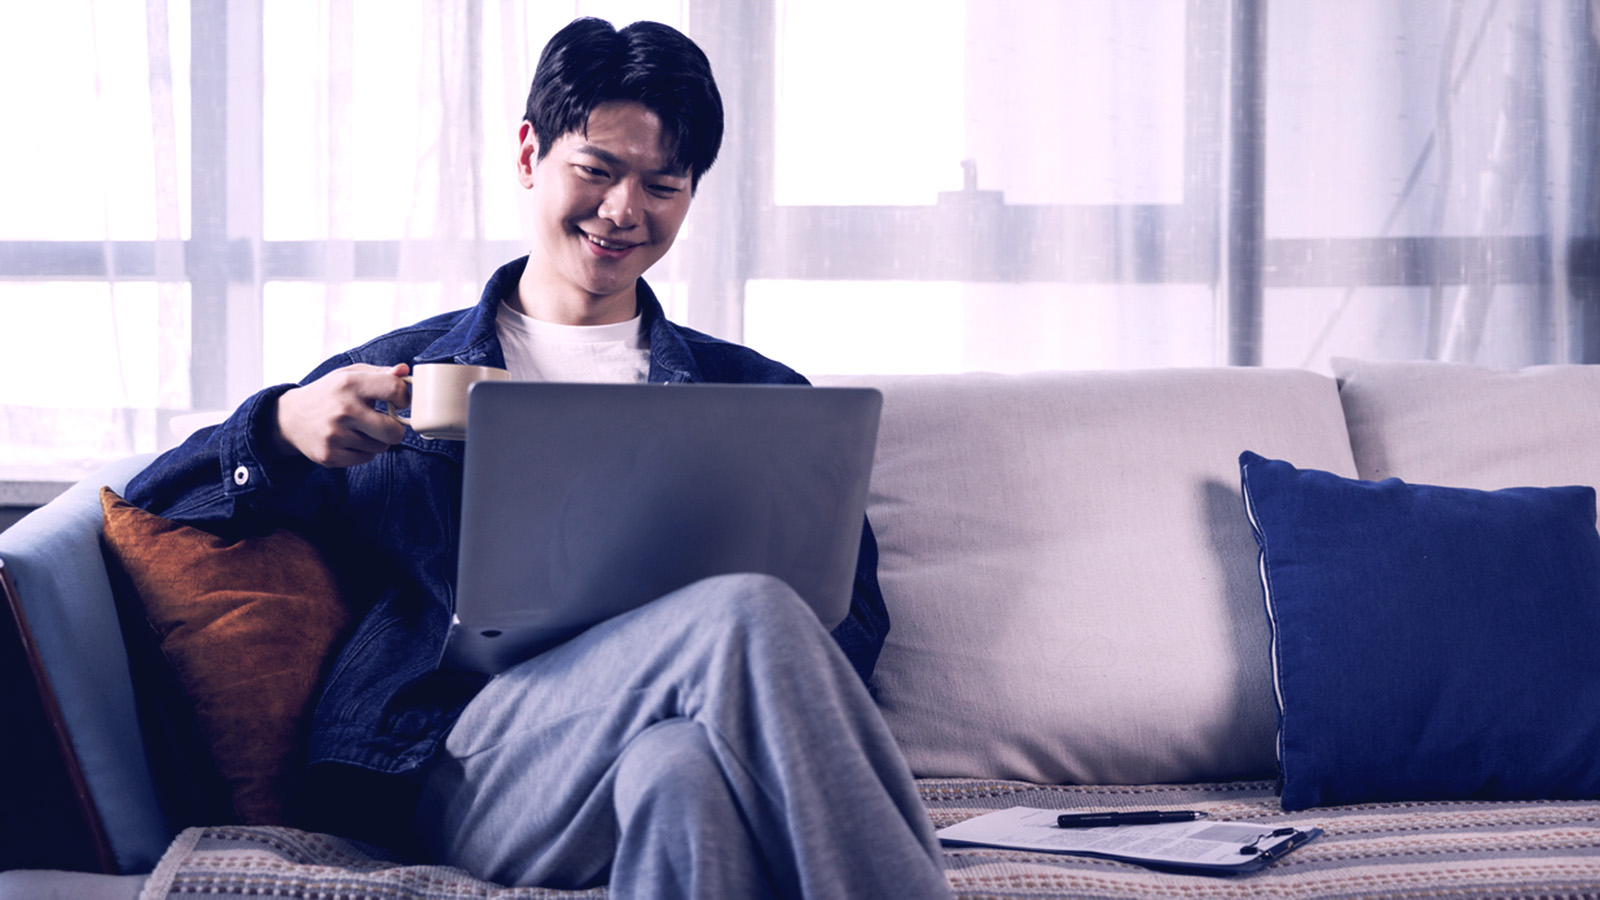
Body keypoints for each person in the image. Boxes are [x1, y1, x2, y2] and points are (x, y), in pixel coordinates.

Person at [124, 16, 952, 900]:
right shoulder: (406, 376)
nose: (624, 210)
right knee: (745, 614)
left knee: (681, 778)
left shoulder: (757, 395)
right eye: (596, 170)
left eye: (663, 184)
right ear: (531, 154)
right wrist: (284, 429)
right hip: (463, 763)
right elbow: (157, 503)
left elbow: (848, 619)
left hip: (657, 738)